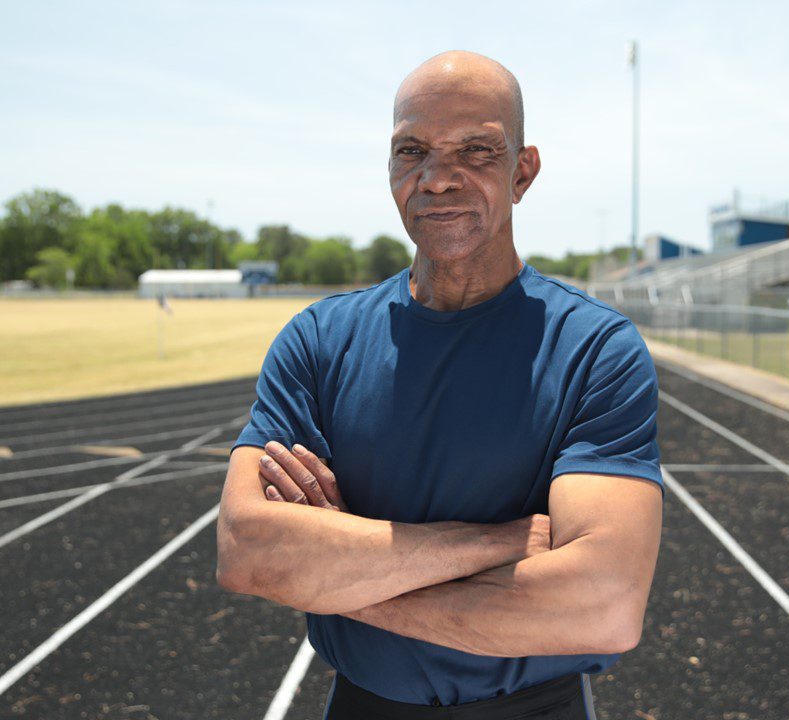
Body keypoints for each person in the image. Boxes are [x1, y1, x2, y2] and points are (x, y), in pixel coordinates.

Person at [216, 50, 664, 719]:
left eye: (477, 150)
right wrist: (493, 543)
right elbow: (248, 552)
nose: (438, 179)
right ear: (391, 168)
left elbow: (601, 605)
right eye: (412, 150)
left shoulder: (596, 350)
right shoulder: (317, 340)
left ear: (523, 171)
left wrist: (335, 579)